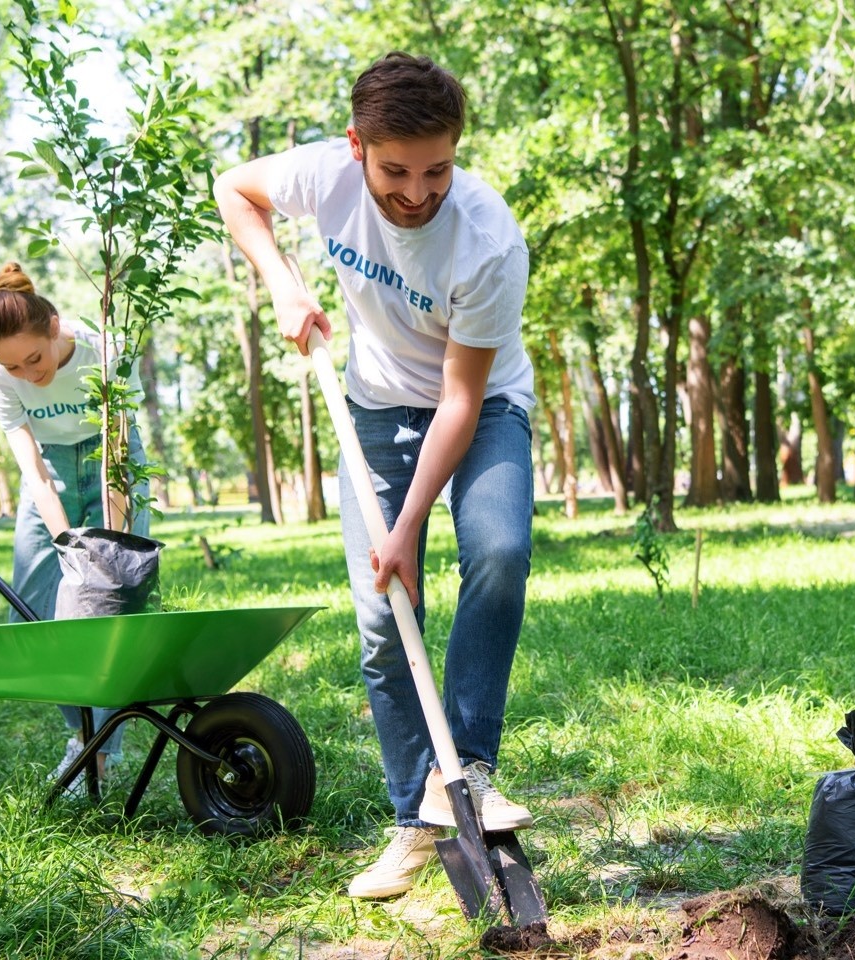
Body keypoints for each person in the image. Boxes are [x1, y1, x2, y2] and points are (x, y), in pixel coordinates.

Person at [214, 52, 537, 901]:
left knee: (499, 553)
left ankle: (466, 769)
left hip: (482, 404)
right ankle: (413, 821)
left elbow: (462, 402)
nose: (418, 190)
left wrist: (407, 522)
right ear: (357, 147)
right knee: (384, 616)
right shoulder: (327, 174)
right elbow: (233, 189)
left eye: (439, 167)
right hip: (376, 409)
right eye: (397, 169)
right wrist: (284, 285)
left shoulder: (489, 239)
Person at [0, 262, 151, 792]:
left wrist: (109, 544)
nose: (29, 375)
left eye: (35, 358)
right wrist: (67, 545)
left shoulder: (107, 349)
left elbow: (119, 451)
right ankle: (80, 729)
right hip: (50, 465)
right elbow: (32, 469)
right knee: (32, 602)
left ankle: (97, 752)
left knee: (108, 599)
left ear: (54, 327)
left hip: (108, 456)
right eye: (13, 367)